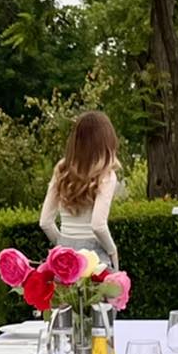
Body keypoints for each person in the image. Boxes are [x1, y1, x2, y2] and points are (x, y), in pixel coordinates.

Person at [40, 110, 121, 269]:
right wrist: (112, 250)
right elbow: (98, 225)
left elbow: (45, 222)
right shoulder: (106, 174)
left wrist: (64, 245)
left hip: (64, 259)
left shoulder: (62, 169)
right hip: (94, 258)